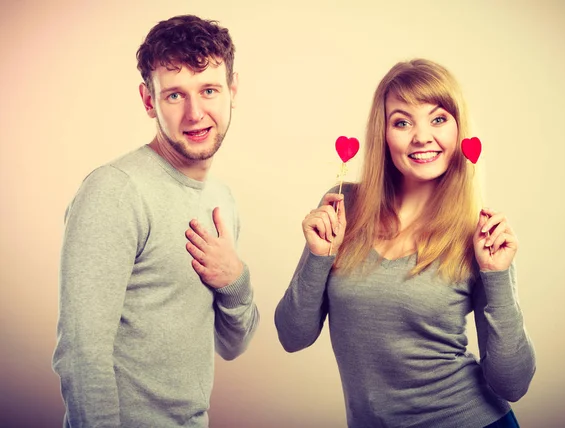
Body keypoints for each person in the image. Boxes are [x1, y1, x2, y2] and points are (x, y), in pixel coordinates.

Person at [275, 59, 535, 428]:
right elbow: (292, 335)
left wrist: (497, 275)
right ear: (384, 133)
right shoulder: (343, 206)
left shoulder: (479, 234)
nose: (422, 136)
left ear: (459, 129)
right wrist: (319, 257)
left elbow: (513, 382)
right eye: (402, 121)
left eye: (439, 119)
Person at [52, 15, 259, 427]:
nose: (195, 113)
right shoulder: (115, 191)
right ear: (149, 100)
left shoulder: (222, 200)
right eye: (174, 96)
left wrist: (235, 278)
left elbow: (234, 344)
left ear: (232, 92)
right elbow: (81, 354)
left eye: (209, 90)